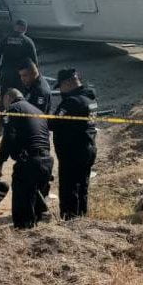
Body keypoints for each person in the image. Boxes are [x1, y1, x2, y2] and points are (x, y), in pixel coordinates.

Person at [0, 89, 53, 229]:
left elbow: (8, 138)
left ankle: (23, 237)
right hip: (46, 161)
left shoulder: (14, 109)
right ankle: (35, 235)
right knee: (36, 207)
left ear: (8, 97)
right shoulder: (38, 111)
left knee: (23, 210)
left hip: (29, 163)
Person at [48, 69, 98, 219]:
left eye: (61, 86)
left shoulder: (72, 102)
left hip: (73, 153)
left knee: (69, 189)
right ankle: (81, 218)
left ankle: (69, 221)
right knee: (82, 187)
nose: (61, 91)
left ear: (68, 83)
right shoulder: (90, 98)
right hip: (88, 148)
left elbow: (53, 123)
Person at [0, 19, 38, 132]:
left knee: (4, 99)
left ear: (15, 27)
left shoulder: (5, 39)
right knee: (19, 100)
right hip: (21, 75)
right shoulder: (27, 41)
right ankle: (16, 126)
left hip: (6, 74)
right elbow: (34, 61)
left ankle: (0, 126)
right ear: (25, 29)